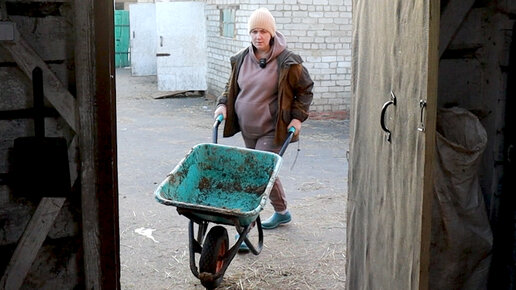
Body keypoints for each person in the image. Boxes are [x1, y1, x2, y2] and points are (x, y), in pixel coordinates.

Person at [214, 6, 313, 239]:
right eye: (254, 31)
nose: (258, 36)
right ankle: (282, 212)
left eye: (263, 32)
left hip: (273, 129)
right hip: (248, 128)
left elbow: (305, 90)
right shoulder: (241, 59)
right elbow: (231, 87)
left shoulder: (288, 61)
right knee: (267, 173)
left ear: (271, 33)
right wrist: (222, 104)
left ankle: (244, 232)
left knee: (258, 173)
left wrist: (298, 117)